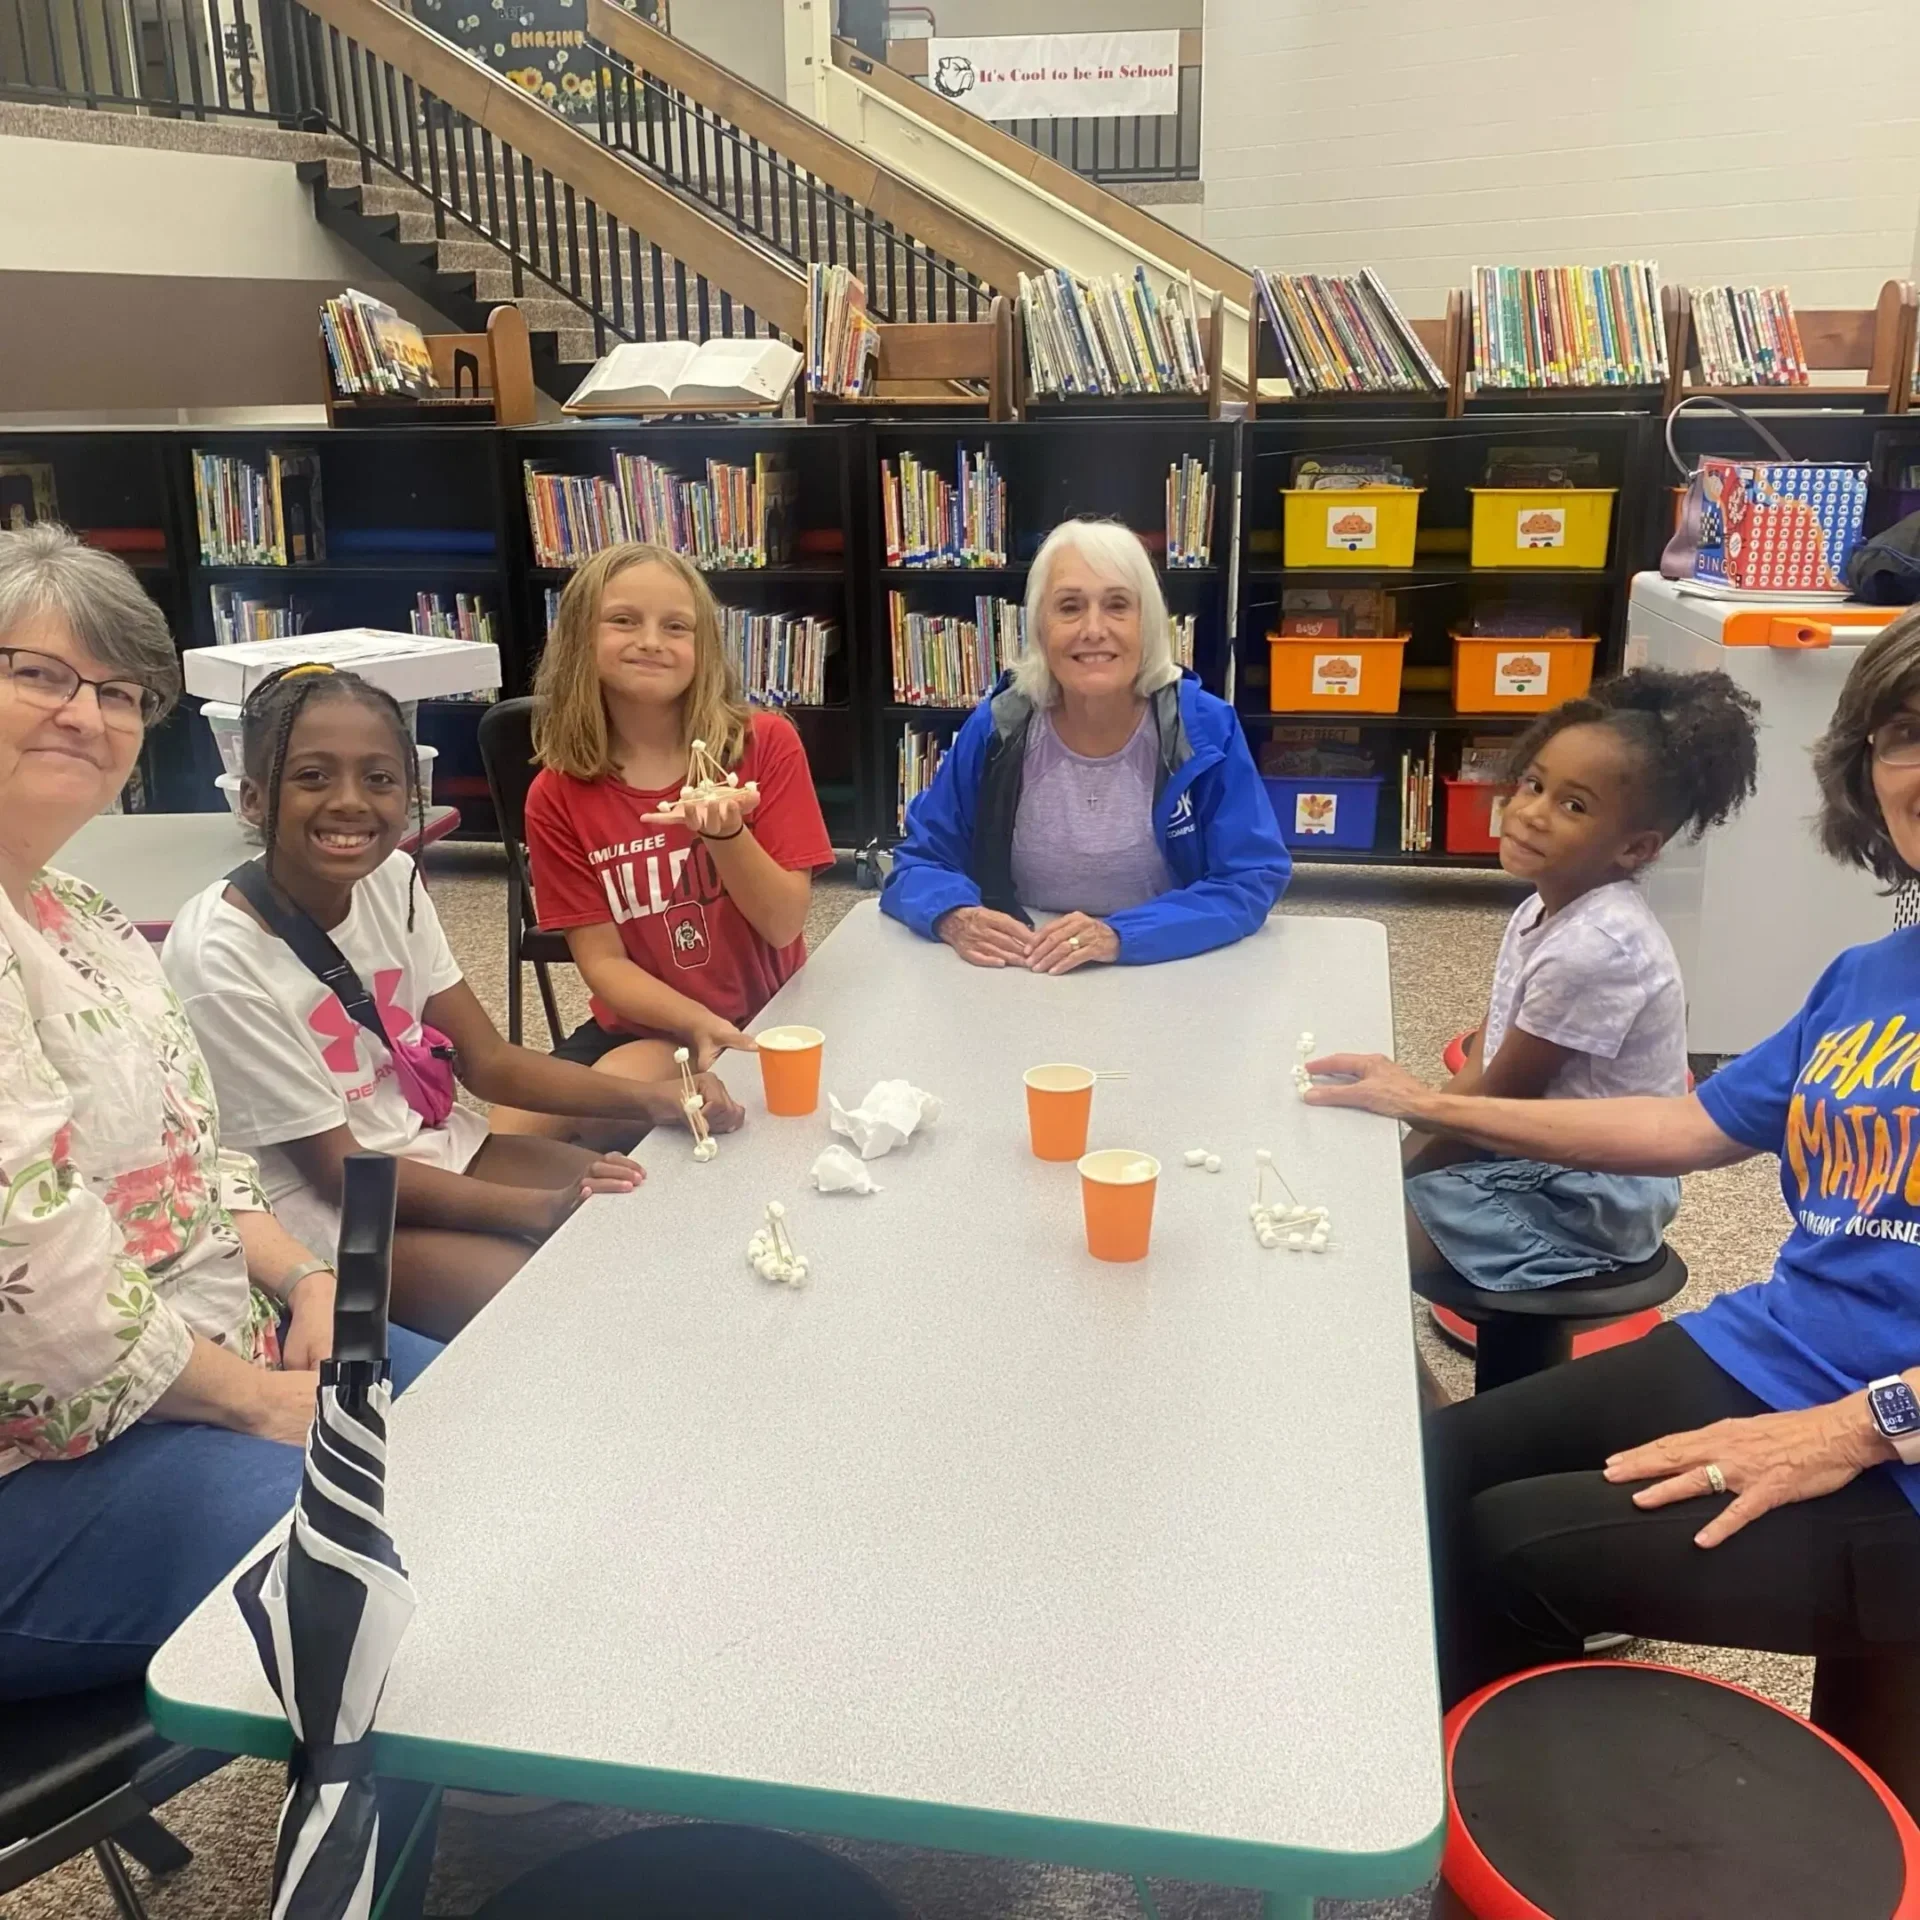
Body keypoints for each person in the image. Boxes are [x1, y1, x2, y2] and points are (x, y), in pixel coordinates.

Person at [1306, 605, 1920, 1717]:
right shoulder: (1869, 977)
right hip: (1786, 1349)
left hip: (1892, 1432)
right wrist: (1426, 1103)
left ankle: (1482, 1815)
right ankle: (1399, 1747)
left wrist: (1861, 1425)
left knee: (1515, 1545)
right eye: (1905, 732)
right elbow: (1681, 1127)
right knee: (1432, 1472)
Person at [0, 526, 436, 1701]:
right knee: (392, 1520)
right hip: (39, 1461)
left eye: (117, 691)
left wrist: (298, 1279)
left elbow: (199, 1158)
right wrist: (254, 1400)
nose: (82, 714)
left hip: (196, 1350)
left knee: (475, 1399)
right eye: (35, 673)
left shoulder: (80, 915)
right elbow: (36, 1288)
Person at [163, 664, 742, 1341]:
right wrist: (536, 1209)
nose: (350, 801)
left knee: (658, 1219)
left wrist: (657, 1100)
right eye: (312, 777)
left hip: (430, 1149)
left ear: (411, 793)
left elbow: (486, 1060)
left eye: (379, 779)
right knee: (567, 1317)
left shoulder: (393, 879)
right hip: (324, 1212)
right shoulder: (218, 958)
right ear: (256, 800)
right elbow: (345, 1178)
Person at [1401, 670, 1758, 1299]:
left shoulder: (1595, 947)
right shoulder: (1544, 908)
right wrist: (1390, 1164)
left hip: (1590, 1196)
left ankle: (1414, 1402)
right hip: (1534, 1151)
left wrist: (1384, 1182)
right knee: (1363, 1212)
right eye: (1534, 785)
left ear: (1634, 848)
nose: (1531, 814)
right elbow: (1482, 1062)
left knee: (1357, 1244)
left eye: (1573, 805)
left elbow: (1493, 1107)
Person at [880, 518, 1290, 975]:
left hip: (1168, 969)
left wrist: (1121, 935)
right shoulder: (999, 725)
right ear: (1039, 629)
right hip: (1023, 975)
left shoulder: (1206, 729)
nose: (1093, 629)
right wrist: (953, 916)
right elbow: (917, 861)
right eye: (1070, 607)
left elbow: (1250, 878)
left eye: (1117, 605)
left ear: (1149, 624)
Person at [516, 543, 835, 1096]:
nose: (650, 642)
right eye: (622, 620)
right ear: (577, 640)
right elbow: (604, 963)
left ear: (704, 647)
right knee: (515, 1128)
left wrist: (724, 832)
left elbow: (784, 923)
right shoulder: (556, 795)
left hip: (768, 1016)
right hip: (652, 1023)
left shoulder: (765, 746)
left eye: (676, 627)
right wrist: (692, 1021)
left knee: (609, 1103)